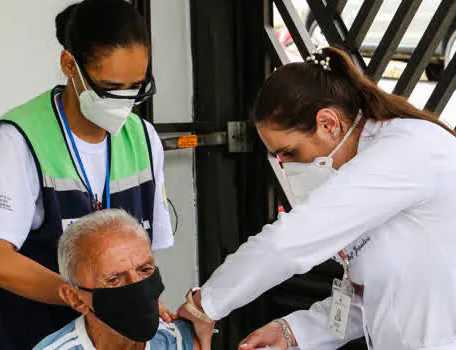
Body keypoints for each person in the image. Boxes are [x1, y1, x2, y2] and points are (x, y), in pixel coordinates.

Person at [178, 46, 456, 349]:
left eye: (290, 152)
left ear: (328, 124)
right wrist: (291, 331)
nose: (288, 167)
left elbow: (286, 244)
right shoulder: (367, 170)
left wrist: (204, 304)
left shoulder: (405, 151)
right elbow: (372, 297)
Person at [0, 1, 174, 349]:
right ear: (69, 65)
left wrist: (142, 303)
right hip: (29, 334)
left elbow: (145, 252)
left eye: (135, 87)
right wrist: (88, 298)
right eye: (110, 88)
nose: (123, 101)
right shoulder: (20, 139)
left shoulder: (142, 137)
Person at [34, 209, 213, 350]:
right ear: (75, 298)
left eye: (145, 269)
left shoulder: (181, 341)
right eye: (113, 280)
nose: (138, 287)